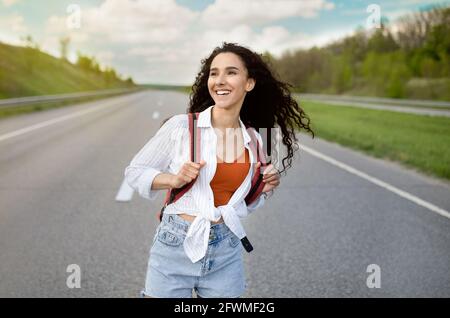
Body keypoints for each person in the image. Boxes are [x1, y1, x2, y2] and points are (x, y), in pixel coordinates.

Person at [124, 42, 314, 298]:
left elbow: (244, 204)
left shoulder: (256, 140)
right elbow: (135, 171)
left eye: (231, 72)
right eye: (214, 73)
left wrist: (263, 189)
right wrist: (174, 178)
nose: (220, 80)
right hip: (175, 245)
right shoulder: (182, 127)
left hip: (226, 248)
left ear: (250, 83)